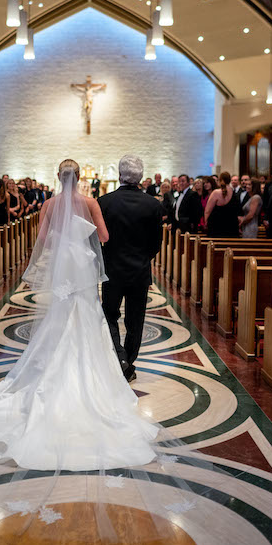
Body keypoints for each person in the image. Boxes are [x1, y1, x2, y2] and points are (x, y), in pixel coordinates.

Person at [0, 157, 173, 474]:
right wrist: (84, 236)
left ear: (58, 176)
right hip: (84, 268)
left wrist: (64, 241)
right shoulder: (90, 201)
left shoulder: (49, 205)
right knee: (91, 318)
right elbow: (103, 237)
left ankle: (52, 367)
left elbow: (42, 240)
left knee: (61, 319)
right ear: (78, 178)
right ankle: (110, 369)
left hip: (65, 267)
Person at [98, 154, 163, 383]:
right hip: (139, 271)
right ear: (141, 177)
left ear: (119, 175)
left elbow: (99, 239)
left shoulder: (104, 202)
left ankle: (120, 359)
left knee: (109, 315)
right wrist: (143, 257)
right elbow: (156, 244)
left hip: (112, 270)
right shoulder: (153, 205)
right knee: (135, 321)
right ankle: (128, 362)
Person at [204, 171, 240, 237]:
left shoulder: (216, 193)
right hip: (231, 227)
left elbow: (207, 211)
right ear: (229, 180)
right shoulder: (234, 193)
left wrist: (206, 222)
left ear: (220, 180)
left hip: (216, 227)